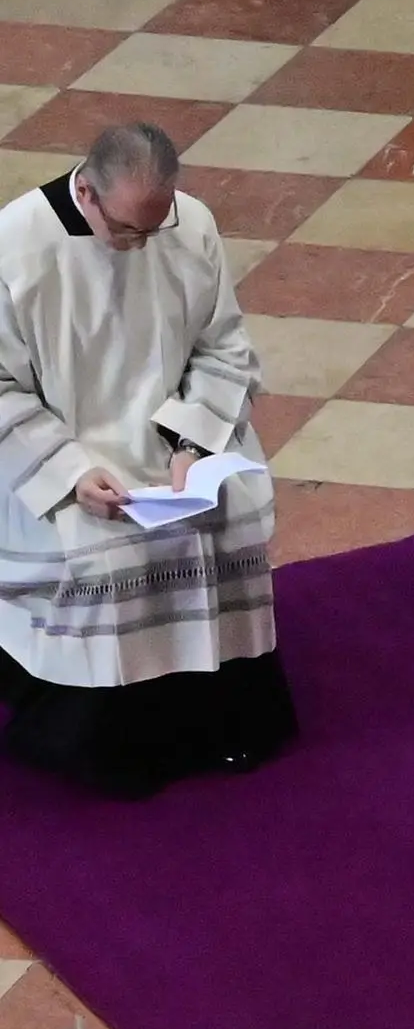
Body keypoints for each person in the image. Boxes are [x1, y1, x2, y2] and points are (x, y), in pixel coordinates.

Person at [0, 125, 295, 799]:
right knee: (107, 547)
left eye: (156, 226)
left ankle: (222, 727)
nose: (143, 245)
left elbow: (224, 349)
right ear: (87, 192)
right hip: (65, 453)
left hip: (171, 447)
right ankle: (109, 744)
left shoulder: (189, 225)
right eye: (129, 231)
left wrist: (194, 443)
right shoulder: (13, 246)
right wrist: (71, 471)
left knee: (227, 518)